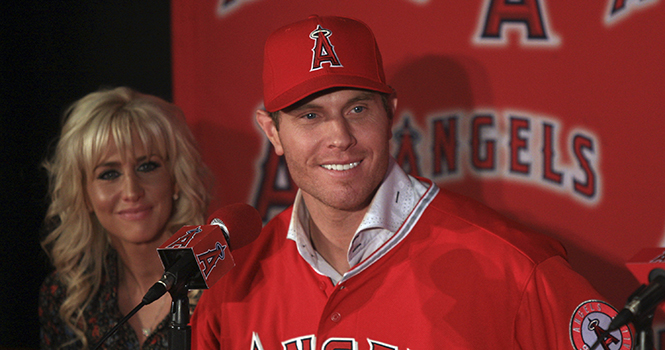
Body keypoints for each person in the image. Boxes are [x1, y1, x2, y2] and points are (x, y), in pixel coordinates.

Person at [191, 16, 620, 349]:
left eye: (358, 109)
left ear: (390, 111)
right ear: (271, 132)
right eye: (310, 116)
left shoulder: (518, 268)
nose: (339, 137)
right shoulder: (232, 284)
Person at [39, 87, 213, 350]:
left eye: (147, 167)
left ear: (176, 179)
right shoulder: (66, 297)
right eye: (109, 174)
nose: (132, 192)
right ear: (84, 193)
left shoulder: (222, 289)